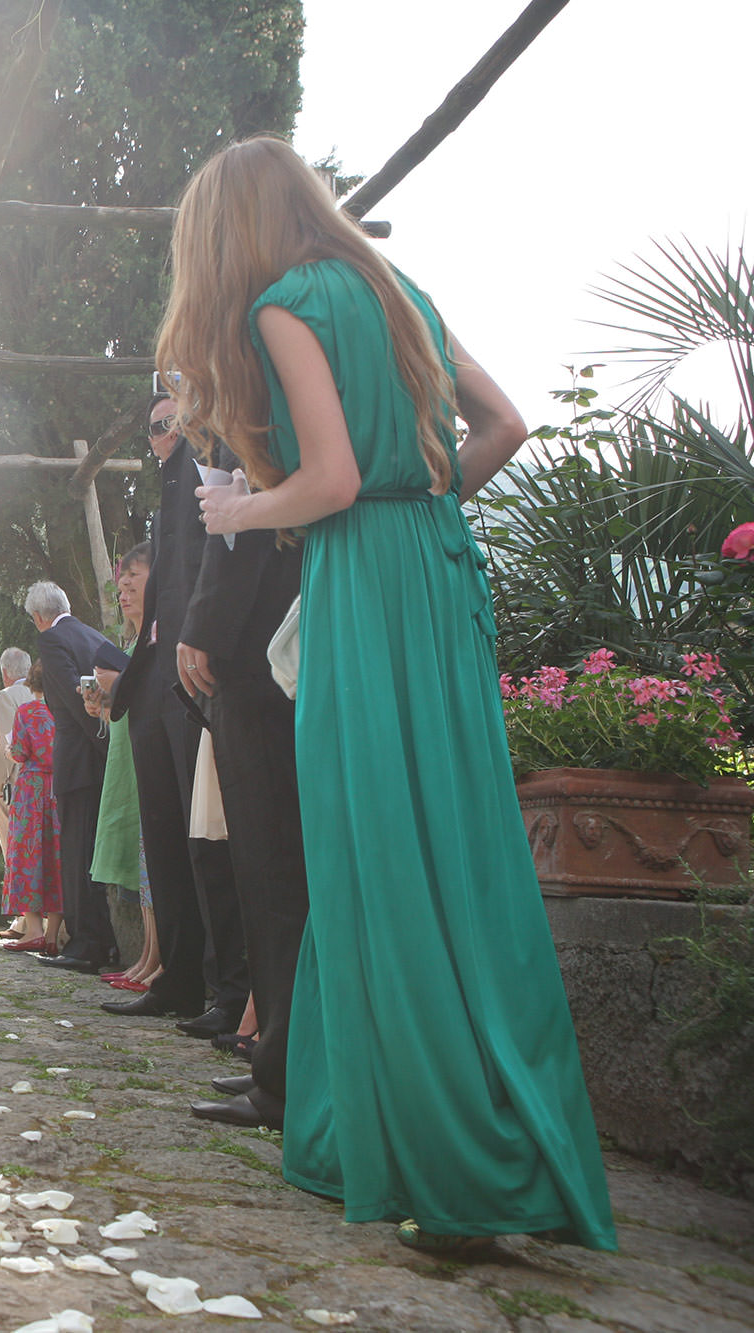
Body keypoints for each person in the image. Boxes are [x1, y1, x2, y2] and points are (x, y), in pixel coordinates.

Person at [173, 135, 614, 1250]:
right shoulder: (395, 286)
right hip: (437, 569)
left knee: (373, 855)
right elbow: (504, 426)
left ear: (226, 233)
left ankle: (444, 1174)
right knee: (459, 854)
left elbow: (322, 480)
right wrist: (422, 504)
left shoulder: (285, 303)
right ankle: (467, 1139)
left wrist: (238, 513)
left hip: (366, 584)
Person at [100, 398, 248, 1037]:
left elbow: (211, 560)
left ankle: (226, 987)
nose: (163, 432)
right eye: (155, 425)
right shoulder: (166, 483)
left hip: (195, 663)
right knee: (164, 833)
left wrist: (203, 636)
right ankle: (180, 977)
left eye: (170, 421)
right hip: (158, 672)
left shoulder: (210, 453)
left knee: (204, 835)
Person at [179, 434, 305, 1128]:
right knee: (266, 868)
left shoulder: (262, 373)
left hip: (263, 642)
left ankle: (285, 1067)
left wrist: (203, 624)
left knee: (273, 864)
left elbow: (239, 525)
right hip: (269, 634)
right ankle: (278, 1053)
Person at [25, 582, 129, 971]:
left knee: (75, 853)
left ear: (39, 617)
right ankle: (104, 941)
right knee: (92, 854)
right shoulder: (95, 637)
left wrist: (101, 745)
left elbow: (73, 699)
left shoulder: (52, 639)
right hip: (101, 759)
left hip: (77, 760)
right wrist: (111, 749)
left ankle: (86, 944)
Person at [90, 544, 160, 993]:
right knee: (142, 859)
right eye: (121, 581)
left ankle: (157, 960)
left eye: (135, 576)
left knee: (153, 857)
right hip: (126, 757)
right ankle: (147, 957)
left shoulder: (155, 638)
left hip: (146, 759)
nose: (125, 588)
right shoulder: (132, 642)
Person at [0, 663, 60, 953]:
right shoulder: (65, 711)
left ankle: (33, 929)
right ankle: (54, 935)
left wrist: (11, 751)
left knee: (29, 854)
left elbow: (21, 752)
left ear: (32, 685)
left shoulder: (26, 711)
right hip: (59, 787)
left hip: (32, 789)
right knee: (56, 854)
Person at [0, 647, 35, 925]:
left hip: (15, 782)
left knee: (14, 850)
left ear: (6, 673)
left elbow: (5, 747)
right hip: (45, 780)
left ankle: (24, 919)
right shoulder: (42, 694)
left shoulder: (7, 697)